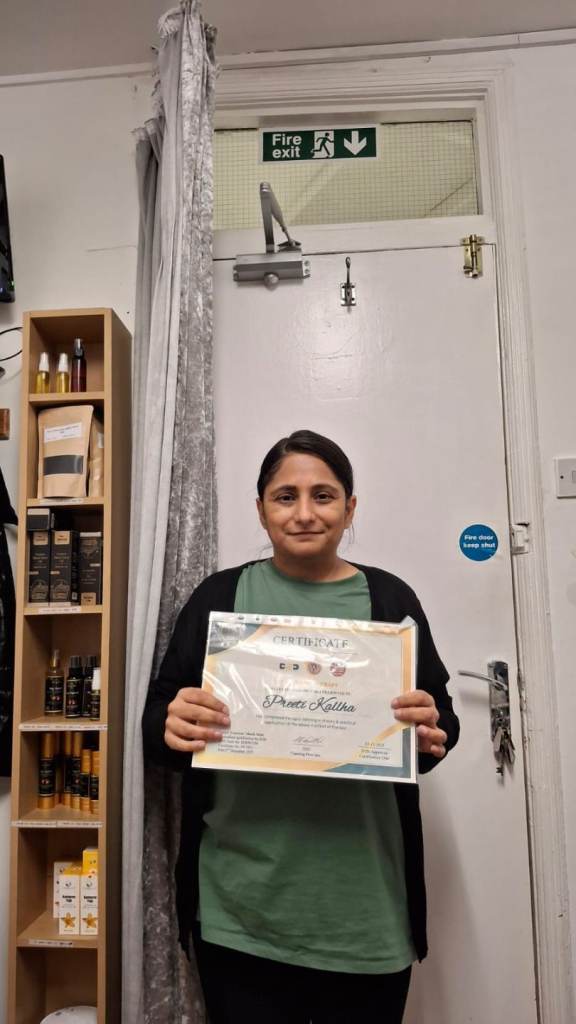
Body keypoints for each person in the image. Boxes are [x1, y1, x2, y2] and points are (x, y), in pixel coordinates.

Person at [142, 429, 459, 1024]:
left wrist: (429, 734)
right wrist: (172, 723)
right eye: (285, 497)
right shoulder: (219, 597)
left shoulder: (390, 599)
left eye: (324, 496)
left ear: (350, 508)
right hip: (240, 911)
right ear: (260, 509)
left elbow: (438, 722)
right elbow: (158, 722)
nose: (305, 513)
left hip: (365, 912)